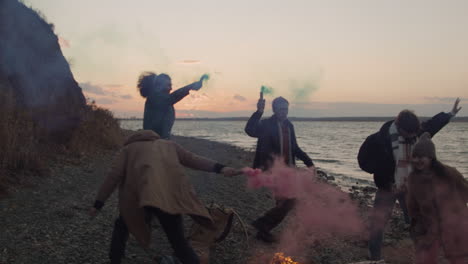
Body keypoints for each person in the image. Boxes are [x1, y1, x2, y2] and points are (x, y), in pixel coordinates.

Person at [89, 130, 240, 264]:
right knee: (178, 241)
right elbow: (194, 159)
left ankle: (115, 259)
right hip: (168, 197)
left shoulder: (127, 149)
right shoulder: (169, 145)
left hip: (140, 198)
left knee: (122, 225)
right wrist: (221, 168)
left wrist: (98, 204)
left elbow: (113, 176)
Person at [357, 98, 462, 261]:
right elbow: (363, 160)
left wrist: (450, 114)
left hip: (412, 187)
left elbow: (433, 125)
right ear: (399, 128)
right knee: (378, 223)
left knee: (417, 223)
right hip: (388, 187)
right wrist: (385, 179)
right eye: (410, 134)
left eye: (415, 133)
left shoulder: (416, 133)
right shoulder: (378, 139)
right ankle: (374, 257)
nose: (414, 136)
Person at [245, 94, 315, 243]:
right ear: (275, 110)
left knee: (284, 201)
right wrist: (258, 112)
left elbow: (294, 147)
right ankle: (262, 225)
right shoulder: (266, 124)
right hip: (272, 170)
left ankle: (264, 229)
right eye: (281, 109)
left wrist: (309, 162)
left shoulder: (289, 126)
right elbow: (250, 130)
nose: (284, 112)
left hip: (288, 170)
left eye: (286, 109)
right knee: (289, 201)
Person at [406, 132, 468, 264]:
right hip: (429, 226)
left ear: (431, 158)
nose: (417, 160)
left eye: (421, 157)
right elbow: (412, 207)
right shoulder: (413, 178)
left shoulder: (450, 173)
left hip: (455, 225)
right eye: (414, 157)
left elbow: (466, 193)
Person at [138, 72, 207, 139]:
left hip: (159, 140)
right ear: (158, 87)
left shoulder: (163, 101)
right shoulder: (154, 98)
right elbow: (172, 98)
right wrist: (191, 86)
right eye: (168, 85)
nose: (170, 88)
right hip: (153, 141)